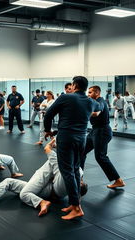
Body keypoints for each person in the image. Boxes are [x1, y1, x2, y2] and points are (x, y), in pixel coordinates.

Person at [0, 139, 88, 217]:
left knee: (24, 194)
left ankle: (42, 202)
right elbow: (77, 192)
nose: (80, 180)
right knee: (8, 181)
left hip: (47, 189)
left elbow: (47, 149)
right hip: (48, 186)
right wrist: (76, 205)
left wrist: (54, 142)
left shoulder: (67, 169)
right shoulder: (75, 173)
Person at [44, 76, 99, 220]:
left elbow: (48, 115)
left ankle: (76, 207)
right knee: (74, 170)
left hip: (66, 138)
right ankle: (75, 203)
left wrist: (48, 130)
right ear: (86, 88)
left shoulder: (66, 97)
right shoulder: (92, 102)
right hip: (81, 139)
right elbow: (100, 106)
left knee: (67, 171)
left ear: (74, 85)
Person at [81, 86, 125, 189]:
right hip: (95, 130)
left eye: (90, 92)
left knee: (100, 156)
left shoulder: (101, 101)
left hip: (102, 131)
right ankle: (79, 178)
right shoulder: (93, 101)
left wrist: (84, 113)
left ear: (97, 93)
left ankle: (118, 180)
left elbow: (96, 113)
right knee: (81, 151)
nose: (88, 94)